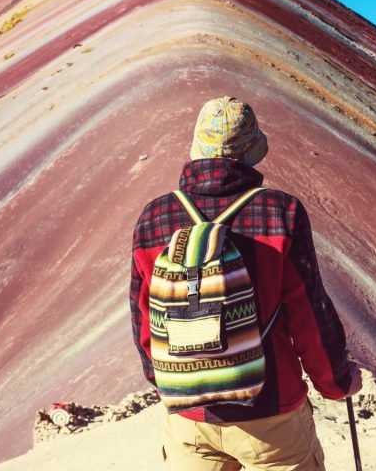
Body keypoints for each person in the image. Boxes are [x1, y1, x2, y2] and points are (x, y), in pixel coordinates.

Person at [130, 96, 362, 470]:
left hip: (188, 418)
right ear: (252, 149)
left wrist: (169, 386)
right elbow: (309, 311)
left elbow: (143, 320)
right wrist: (335, 382)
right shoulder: (278, 212)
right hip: (273, 414)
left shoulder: (155, 216)